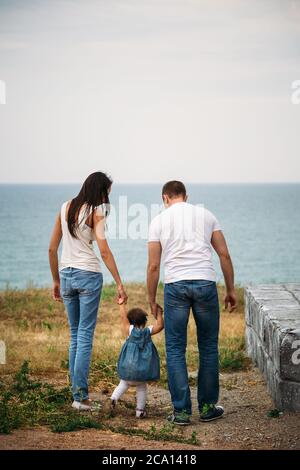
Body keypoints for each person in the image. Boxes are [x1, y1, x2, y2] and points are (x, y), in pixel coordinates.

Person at [147, 180, 237, 425]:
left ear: (165, 198)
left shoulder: (158, 221)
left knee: (176, 348)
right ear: (185, 196)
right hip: (205, 283)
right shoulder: (207, 215)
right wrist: (230, 290)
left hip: (175, 286)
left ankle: (182, 412)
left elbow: (154, 266)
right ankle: (207, 408)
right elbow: (224, 254)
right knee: (208, 347)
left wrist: (152, 299)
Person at [49, 171, 127, 411]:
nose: (107, 198)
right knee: (84, 336)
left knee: (75, 335)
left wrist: (56, 281)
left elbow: (52, 249)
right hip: (88, 275)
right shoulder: (97, 211)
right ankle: (80, 397)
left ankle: (76, 393)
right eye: (107, 193)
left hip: (66, 274)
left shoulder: (65, 208)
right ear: (100, 191)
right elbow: (104, 251)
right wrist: (119, 282)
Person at [111, 301, 164, 418]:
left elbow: (122, 317)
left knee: (123, 384)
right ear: (144, 322)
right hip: (143, 372)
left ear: (130, 322)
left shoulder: (130, 330)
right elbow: (160, 326)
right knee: (141, 388)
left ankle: (113, 398)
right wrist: (159, 313)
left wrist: (121, 305)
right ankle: (139, 411)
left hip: (128, 369)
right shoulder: (148, 332)